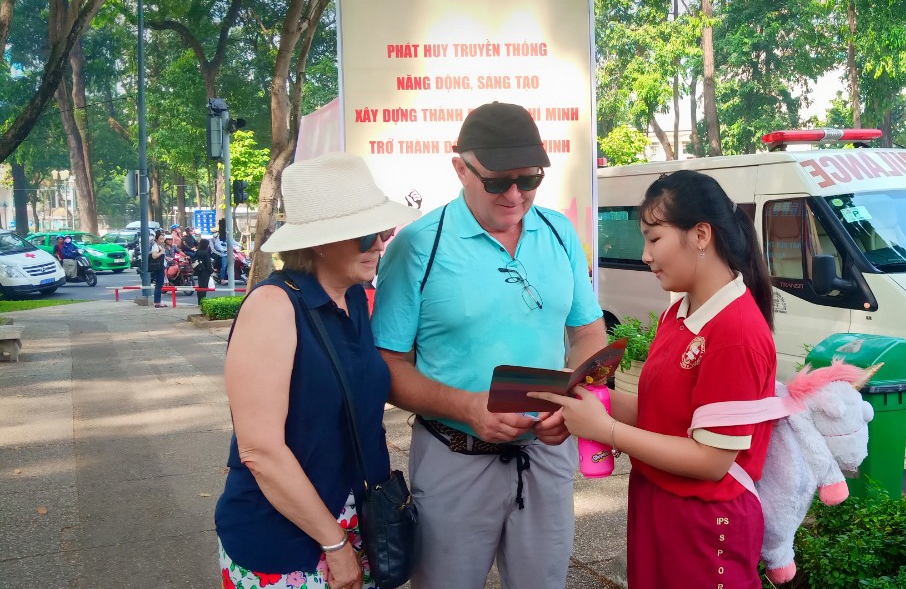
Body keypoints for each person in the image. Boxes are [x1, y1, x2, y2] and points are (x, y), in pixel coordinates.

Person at [371, 101, 606, 589]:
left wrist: (573, 400)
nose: (516, 194)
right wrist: (466, 406)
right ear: (460, 167)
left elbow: (586, 332)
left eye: (530, 179)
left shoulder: (560, 232)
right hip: (454, 456)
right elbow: (387, 364)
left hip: (545, 456)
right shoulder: (417, 246)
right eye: (498, 181)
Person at [530, 170, 778, 589]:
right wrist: (584, 399)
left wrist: (605, 430)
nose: (645, 254)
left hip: (704, 524)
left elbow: (712, 460)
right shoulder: (677, 313)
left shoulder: (735, 332)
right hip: (659, 506)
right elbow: (662, 412)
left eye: (654, 238)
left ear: (701, 234)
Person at [214, 152, 420, 589]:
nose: (381, 244)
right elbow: (260, 451)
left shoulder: (352, 301)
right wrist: (334, 545)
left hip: (352, 523)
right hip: (287, 541)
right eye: (367, 235)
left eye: (383, 231)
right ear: (321, 241)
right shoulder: (273, 307)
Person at [149, 231, 167, 307]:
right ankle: (157, 302)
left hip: (162, 266)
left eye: (163, 239)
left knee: (160, 285)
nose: (162, 241)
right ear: (156, 239)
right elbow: (154, 256)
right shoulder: (155, 246)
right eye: (160, 239)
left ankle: (158, 302)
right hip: (158, 267)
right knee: (158, 285)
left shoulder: (160, 246)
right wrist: (161, 252)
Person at [193, 238, 215, 303]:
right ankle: (203, 301)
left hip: (199, 271)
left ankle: (199, 301)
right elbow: (208, 264)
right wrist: (211, 271)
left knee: (200, 286)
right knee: (204, 287)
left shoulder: (198, 251)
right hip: (205, 272)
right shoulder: (206, 253)